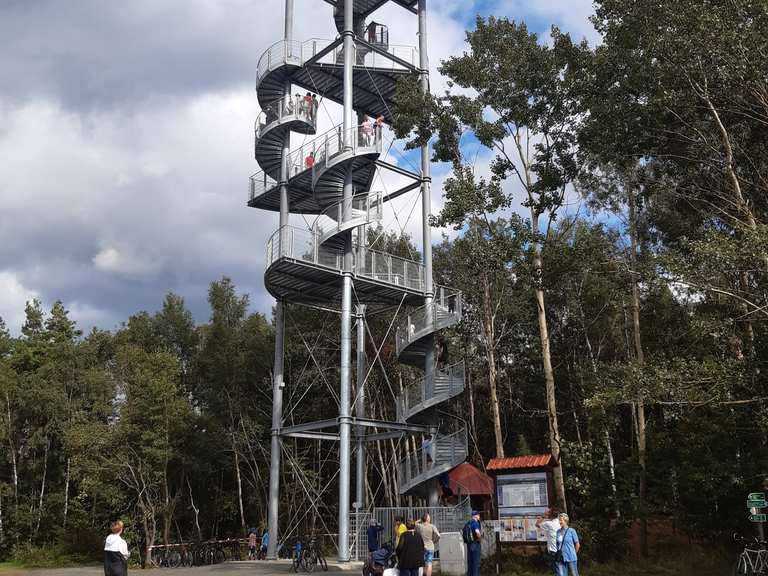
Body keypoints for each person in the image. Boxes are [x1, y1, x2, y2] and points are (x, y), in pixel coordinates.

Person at [536, 509, 561, 576]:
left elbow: (537, 524)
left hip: (553, 550)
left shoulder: (549, 524)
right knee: (560, 568)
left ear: (550, 515)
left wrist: (543, 516)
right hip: (561, 549)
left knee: (556, 569)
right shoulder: (559, 522)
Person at [465, 511, 482, 576]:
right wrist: (480, 539)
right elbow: (477, 532)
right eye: (478, 515)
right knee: (476, 563)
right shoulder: (475, 523)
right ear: (476, 516)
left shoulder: (468, 523)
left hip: (469, 545)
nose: (479, 516)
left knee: (470, 563)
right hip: (475, 545)